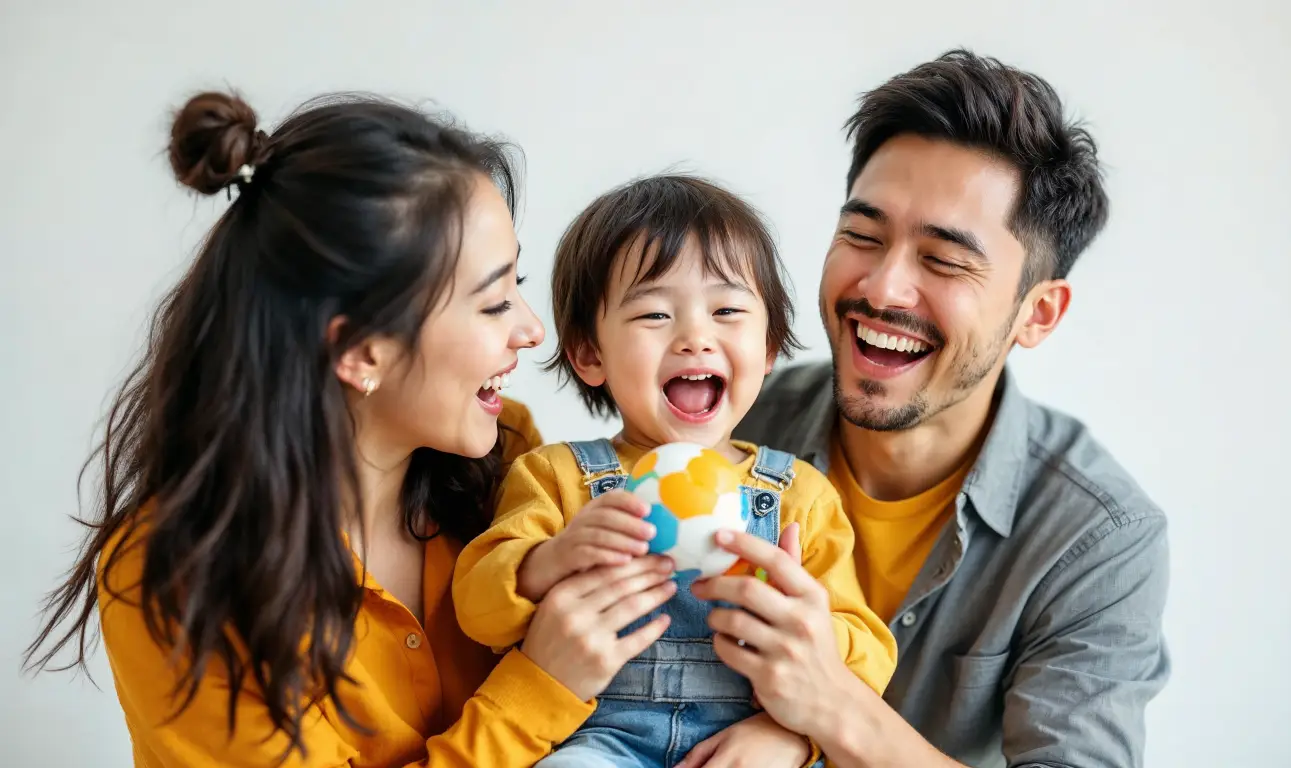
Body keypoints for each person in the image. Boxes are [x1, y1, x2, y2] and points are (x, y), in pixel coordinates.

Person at [24, 90, 683, 767]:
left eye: (517, 284)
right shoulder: (181, 574)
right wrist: (540, 689)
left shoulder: (509, 459)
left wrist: (794, 718)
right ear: (361, 352)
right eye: (492, 303)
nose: (531, 328)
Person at [685, 50, 1172, 768]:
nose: (882, 288)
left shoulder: (1099, 539)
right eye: (863, 235)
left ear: (1037, 314)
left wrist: (830, 708)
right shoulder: (734, 420)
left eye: (943, 260)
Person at [452, 175, 898, 768]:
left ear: (767, 350)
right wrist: (549, 561)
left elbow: (869, 657)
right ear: (591, 354)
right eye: (656, 313)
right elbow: (478, 611)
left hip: (749, 742)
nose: (695, 337)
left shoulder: (798, 498)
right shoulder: (557, 477)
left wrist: (795, 719)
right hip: (600, 739)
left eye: (727, 310)